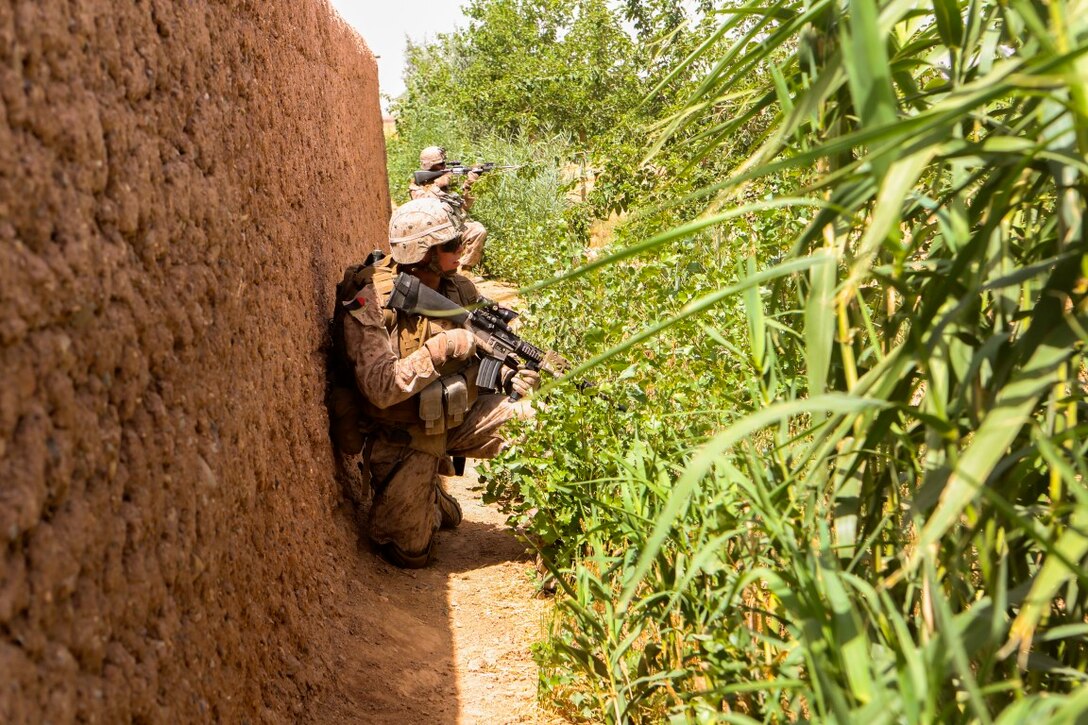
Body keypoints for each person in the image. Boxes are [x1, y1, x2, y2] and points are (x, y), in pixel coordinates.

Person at [328, 197, 539, 568]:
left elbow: (484, 348)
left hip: (456, 416)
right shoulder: (372, 298)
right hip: (401, 434)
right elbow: (380, 387)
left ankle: (550, 538)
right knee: (408, 551)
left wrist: (506, 374)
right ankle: (428, 497)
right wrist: (447, 347)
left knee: (534, 417)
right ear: (422, 251)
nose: (461, 251)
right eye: (451, 246)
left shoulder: (457, 288)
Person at [408, 146, 489, 271]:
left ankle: (462, 269)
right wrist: (438, 184)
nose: (444, 167)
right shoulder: (416, 186)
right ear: (428, 166)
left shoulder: (445, 182)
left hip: (451, 225)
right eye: (440, 164)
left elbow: (464, 206)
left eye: (444, 164)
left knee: (477, 230)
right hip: (431, 230)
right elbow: (425, 204)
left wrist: (470, 183)